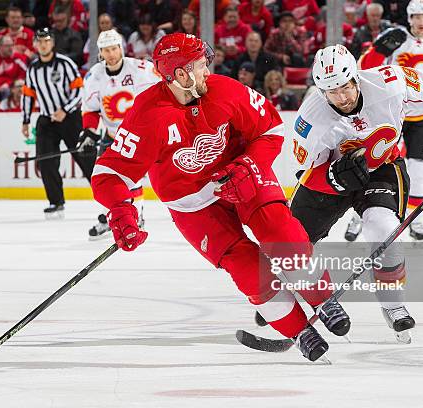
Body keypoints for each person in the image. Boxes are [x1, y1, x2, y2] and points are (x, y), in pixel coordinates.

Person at [90, 33, 352, 362]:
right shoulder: (147, 114)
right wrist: (120, 208)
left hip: (241, 174)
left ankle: (322, 299)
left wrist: (249, 164)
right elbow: (109, 173)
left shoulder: (224, 89)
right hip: (191, 203)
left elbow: (270, 129)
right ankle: (299, 331)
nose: (206, 71)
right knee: (247, 268)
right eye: (200, 66)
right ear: (180, 75)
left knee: (283, 236)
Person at [290, 44, 423, 342]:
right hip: (328, 177)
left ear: (356, 77)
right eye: (332, 92)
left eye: (345, 87)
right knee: (287, 241)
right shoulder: (311, 120)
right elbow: (305, 171)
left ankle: (394, 305)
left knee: (383, 228)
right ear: (320, 90)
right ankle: (285, 303)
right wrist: (333, 177)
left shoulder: (391, 83)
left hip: (381, 168)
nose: (341, 97)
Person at [355, 0, 423, 241]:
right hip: (391, 114)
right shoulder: (396, 39)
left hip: (421, 116)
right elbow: (365, 70)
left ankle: (416, 220)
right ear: (409, 18)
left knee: (420, 171)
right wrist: (377, 51)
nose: (421, 22)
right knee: (373, 164)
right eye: (416, 16)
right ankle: (357, 218)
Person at [79, 29, 160, 239]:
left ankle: (137, 217)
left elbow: (162, 89)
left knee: (130, 178)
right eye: (107, 50)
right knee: (105, 179)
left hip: (136, 134)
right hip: (112, 135)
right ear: (100, 53)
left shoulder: (140, 69)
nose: (112, 53)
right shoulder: (94, 76)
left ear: (121, 48)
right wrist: (89, 132)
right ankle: (114, 216)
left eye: (114, 48)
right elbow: (91, 109)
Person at [21, 28, 96, 218]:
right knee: (45, 161)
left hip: (69, 118)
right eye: (40, 41)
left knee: (86, 158)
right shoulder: (33, 68)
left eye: (47, 40)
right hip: (46, 120)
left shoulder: (65, 64)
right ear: (36, 45)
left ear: (52, 43)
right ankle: (56, 202)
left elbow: (79, 90)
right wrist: (26, 120)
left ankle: (106, 197)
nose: (43, 44)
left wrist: (65, 109)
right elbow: (28, 95)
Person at [0, 35, 28, 102]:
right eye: (7, 46)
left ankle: (6, 110)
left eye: (12, 45)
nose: (10, 48)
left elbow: (23, 76)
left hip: (9, 88)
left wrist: (8, 84)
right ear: (0, 46)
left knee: (8, 92)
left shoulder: (18, 58)